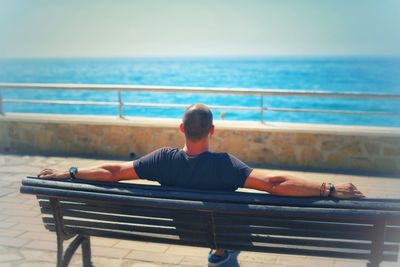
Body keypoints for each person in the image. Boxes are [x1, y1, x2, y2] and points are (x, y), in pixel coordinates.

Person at [38, 103, 364, 266]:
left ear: (181, 128)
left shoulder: (162, 160)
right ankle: (220, 254)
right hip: (219, 233)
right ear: (212, 130)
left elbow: (112, 172)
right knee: (226, 234)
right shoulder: (225, 165)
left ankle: (219, 249)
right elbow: (276, 184)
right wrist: (327, 189)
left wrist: (70, 172)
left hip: (183, 231)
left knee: (217, 228)